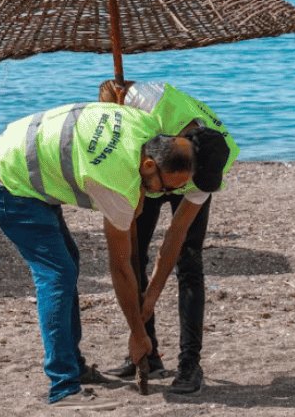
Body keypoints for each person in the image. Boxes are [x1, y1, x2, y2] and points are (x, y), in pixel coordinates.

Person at [0, 101, 213, 408]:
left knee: (68, 264)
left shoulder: (146, 127)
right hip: (7, 183)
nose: (164, 195)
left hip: (21, 162)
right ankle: (63, 387)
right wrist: (138, 333)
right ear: (148, 166)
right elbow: (120, 267)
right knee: (57, 275)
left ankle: (73, 366)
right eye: (165, 188)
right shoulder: (116, 181)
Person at [98, 80, 238, 395]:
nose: (186, 186)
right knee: (134, 255)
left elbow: (175, 236)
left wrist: (151, 298)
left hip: (176, 167)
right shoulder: (146, 100)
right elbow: (108, 94)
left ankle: (190, 364)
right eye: (187, 180)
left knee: (189, 260)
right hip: (150, 169)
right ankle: (147, 351)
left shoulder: (213, 159)